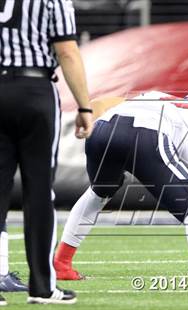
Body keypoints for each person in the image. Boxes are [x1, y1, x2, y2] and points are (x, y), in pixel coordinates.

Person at [53, 91, 188, 281]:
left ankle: (62, 263)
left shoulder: (160, 98)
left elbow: (98, 103)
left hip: (101, 129)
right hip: (146, 136)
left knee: (99, 193)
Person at [0, 0, 93, 305]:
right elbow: (66, 50)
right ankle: (42, 287)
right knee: (39, 193)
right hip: (34, 89)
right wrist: (84, 106)